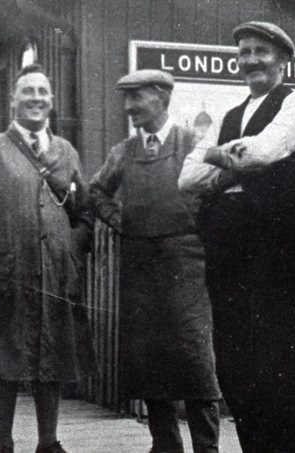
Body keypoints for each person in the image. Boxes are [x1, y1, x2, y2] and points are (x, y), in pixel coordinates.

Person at [179, 22, 295, 453]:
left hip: (276, 247)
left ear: (283, 59)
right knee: (238, 369)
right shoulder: (228, 113)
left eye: (261, 51)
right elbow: (187, 178)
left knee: (281, 368)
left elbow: (262, 151)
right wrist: (225, 159)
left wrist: (212, 158)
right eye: (244, 52)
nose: (251, 60)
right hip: (228, 247)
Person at [0, 63, 95, 453]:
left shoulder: (65, 152)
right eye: (27, 91)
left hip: (55, 277)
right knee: (2, 359)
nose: (36, 99)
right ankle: (4, 443)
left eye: (43, 92)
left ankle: (49, 442)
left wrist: (71, 249)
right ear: (13, 100)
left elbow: (85, 213)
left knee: (53, 357)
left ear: (52, 101)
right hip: (5, 273)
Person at [88, 69, 221, 453]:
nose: (129, 107)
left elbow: (217, 184)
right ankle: (165, 445)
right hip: (140, 263)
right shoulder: (123, 152)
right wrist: (121, 221)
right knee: (148, 357)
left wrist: (199, 227)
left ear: (162, 98)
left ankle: (206, 448)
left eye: (138, 98)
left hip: (186, 262)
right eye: (126, 99)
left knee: (195, 355)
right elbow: (97, 192)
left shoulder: (191, 142)